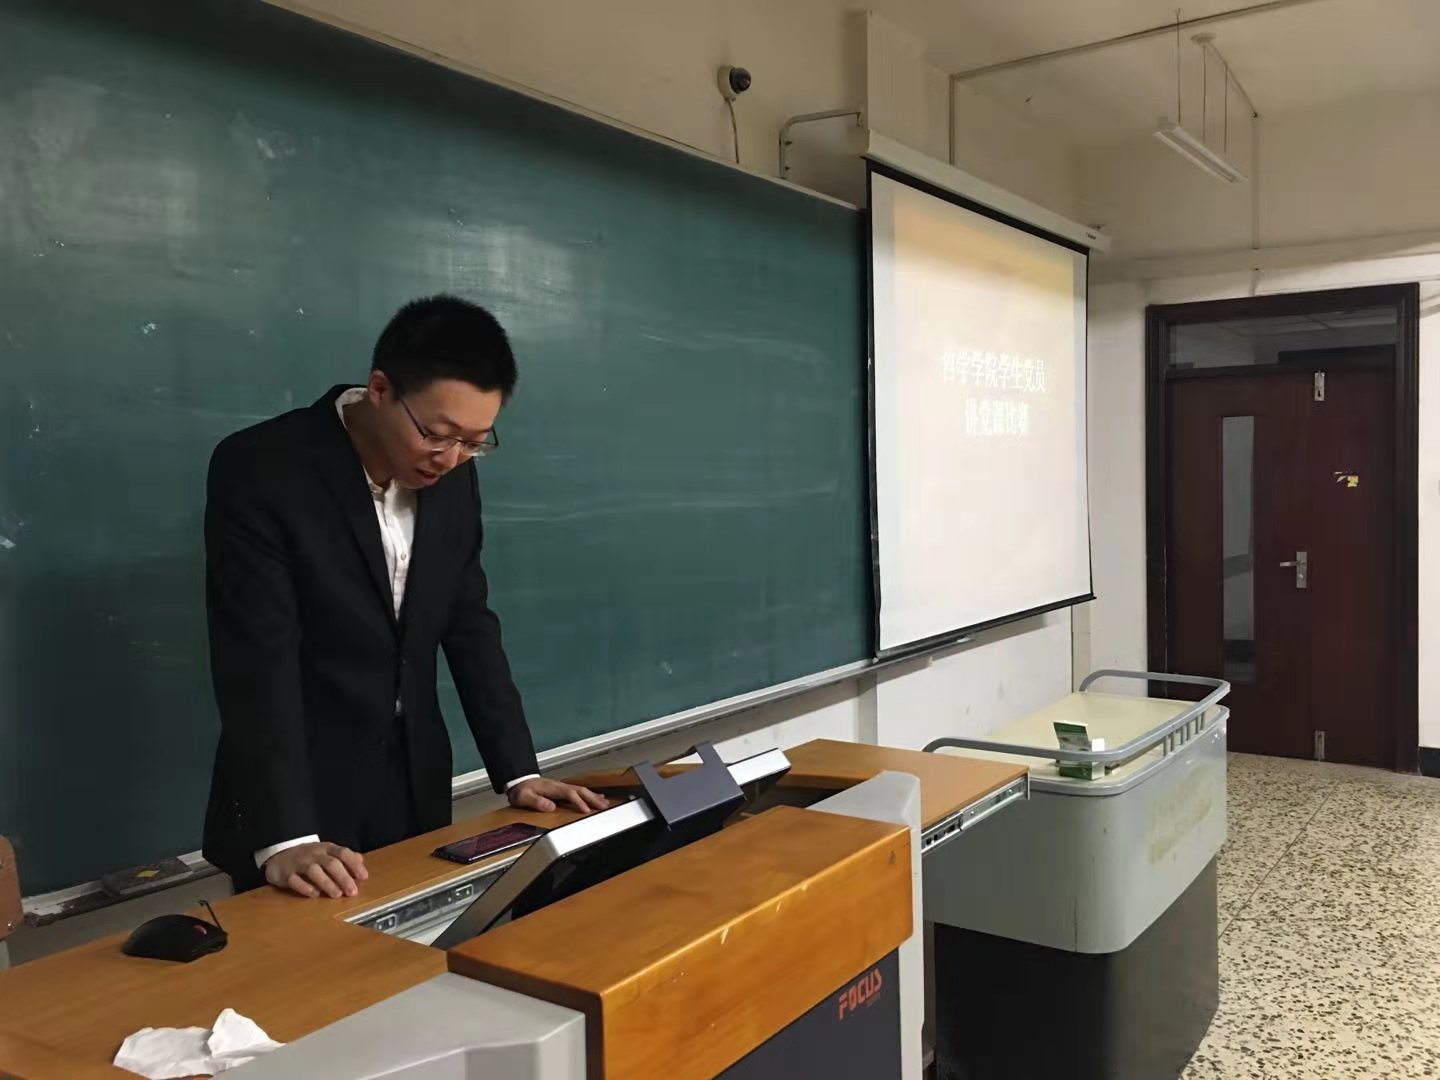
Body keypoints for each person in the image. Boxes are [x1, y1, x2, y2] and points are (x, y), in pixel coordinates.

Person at [202, 295, 606, 898]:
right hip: (298, 790)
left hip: (413, 782)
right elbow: (257, 654)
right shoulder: (263, 467)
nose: (452, 458)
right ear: (380, 389)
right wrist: (287, 836)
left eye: (475, 441)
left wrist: (519, 771)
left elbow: (468, 621)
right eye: (437, 435)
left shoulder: (453, 474)